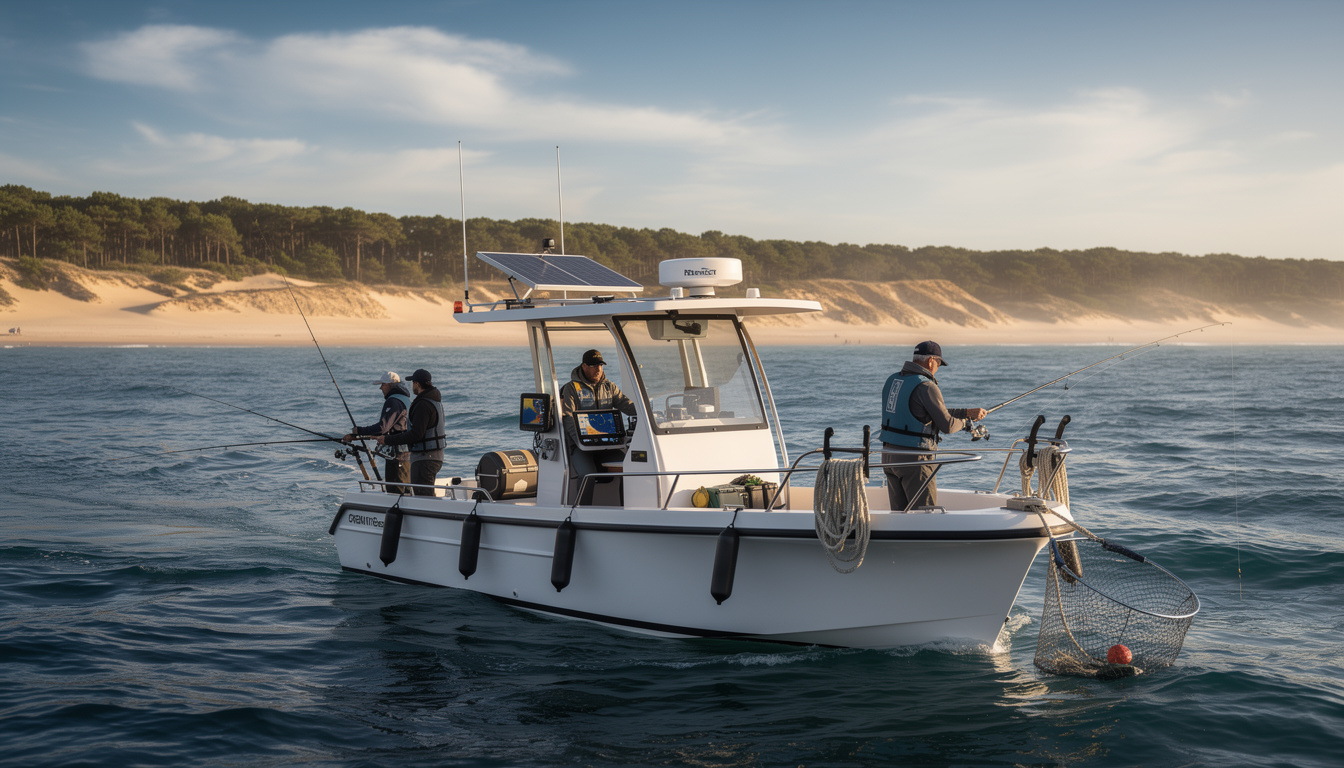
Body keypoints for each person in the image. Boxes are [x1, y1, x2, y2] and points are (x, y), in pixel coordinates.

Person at [879, 341, 987, 511]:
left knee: (899, 515)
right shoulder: (926, 386)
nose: (937, 369)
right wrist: (966, 423)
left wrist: (966, 412)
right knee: (925, 515)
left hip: (888, 457)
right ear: (931, 361)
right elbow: (948, 426)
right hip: (915, 461)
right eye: (938, 364)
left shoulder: (893, 380)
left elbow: (921, 411)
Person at [559, 349, 638, 505]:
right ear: (584, 366)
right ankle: (582, 512)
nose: (598, 369)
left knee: (630, 467)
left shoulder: (610, 387)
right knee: (587, 473)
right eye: (594, 365)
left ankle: (627, 508)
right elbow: (568, 418)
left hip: (607, 446)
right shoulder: (571, 388)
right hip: (580, 447)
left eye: (600, 365)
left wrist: (647, 413)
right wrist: (582, 442)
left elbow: (627, 405)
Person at [377, 368, 445, 496]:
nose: (412, 386)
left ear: (418, 384)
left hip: (425, 458)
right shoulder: (434, 401)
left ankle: (428, 515)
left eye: (413, 382)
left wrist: (388, 440)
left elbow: (416, 434)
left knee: (423, 497)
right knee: (424, 495)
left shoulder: (423, 404)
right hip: (434, 456)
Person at [343, 371, 411, 494]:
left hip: (397, 453)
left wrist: (359, 431)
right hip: (405, 451)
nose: (380, 388)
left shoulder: (393, 401)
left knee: (395, 491)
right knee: (405, 488)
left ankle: (395, 511)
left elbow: (382, 428)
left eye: (382, 384)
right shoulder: (405, 399)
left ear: (390, 385)